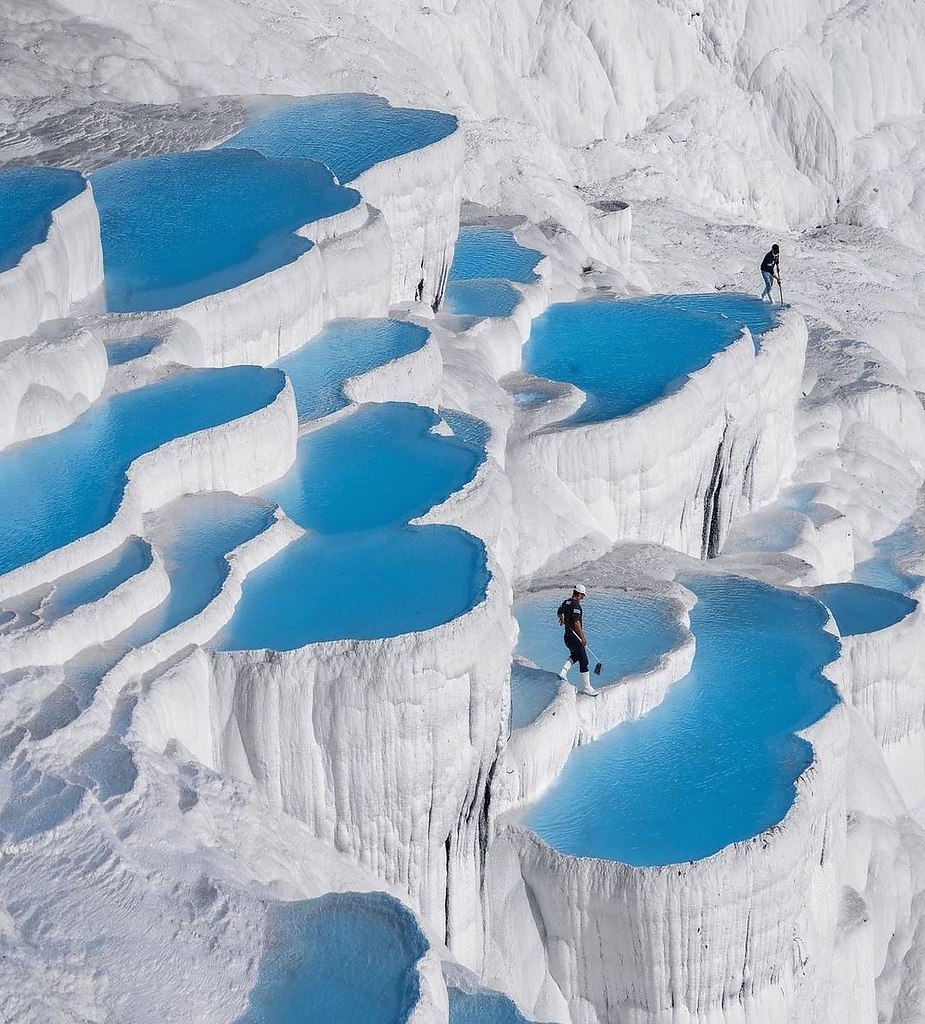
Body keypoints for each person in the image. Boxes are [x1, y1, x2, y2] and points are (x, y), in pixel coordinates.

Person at [556, 584, 598, 697]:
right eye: (582, 595)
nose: (583, 598)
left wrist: (562, 618)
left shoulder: (566, 602)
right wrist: (583, 638)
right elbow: (576, 622)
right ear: (578, 594)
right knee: (584, 661)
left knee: (575, 655)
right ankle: (586, 688)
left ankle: (563, 672)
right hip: (575, 638)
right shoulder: (576, 606)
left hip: (567, 637)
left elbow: (559, 611)